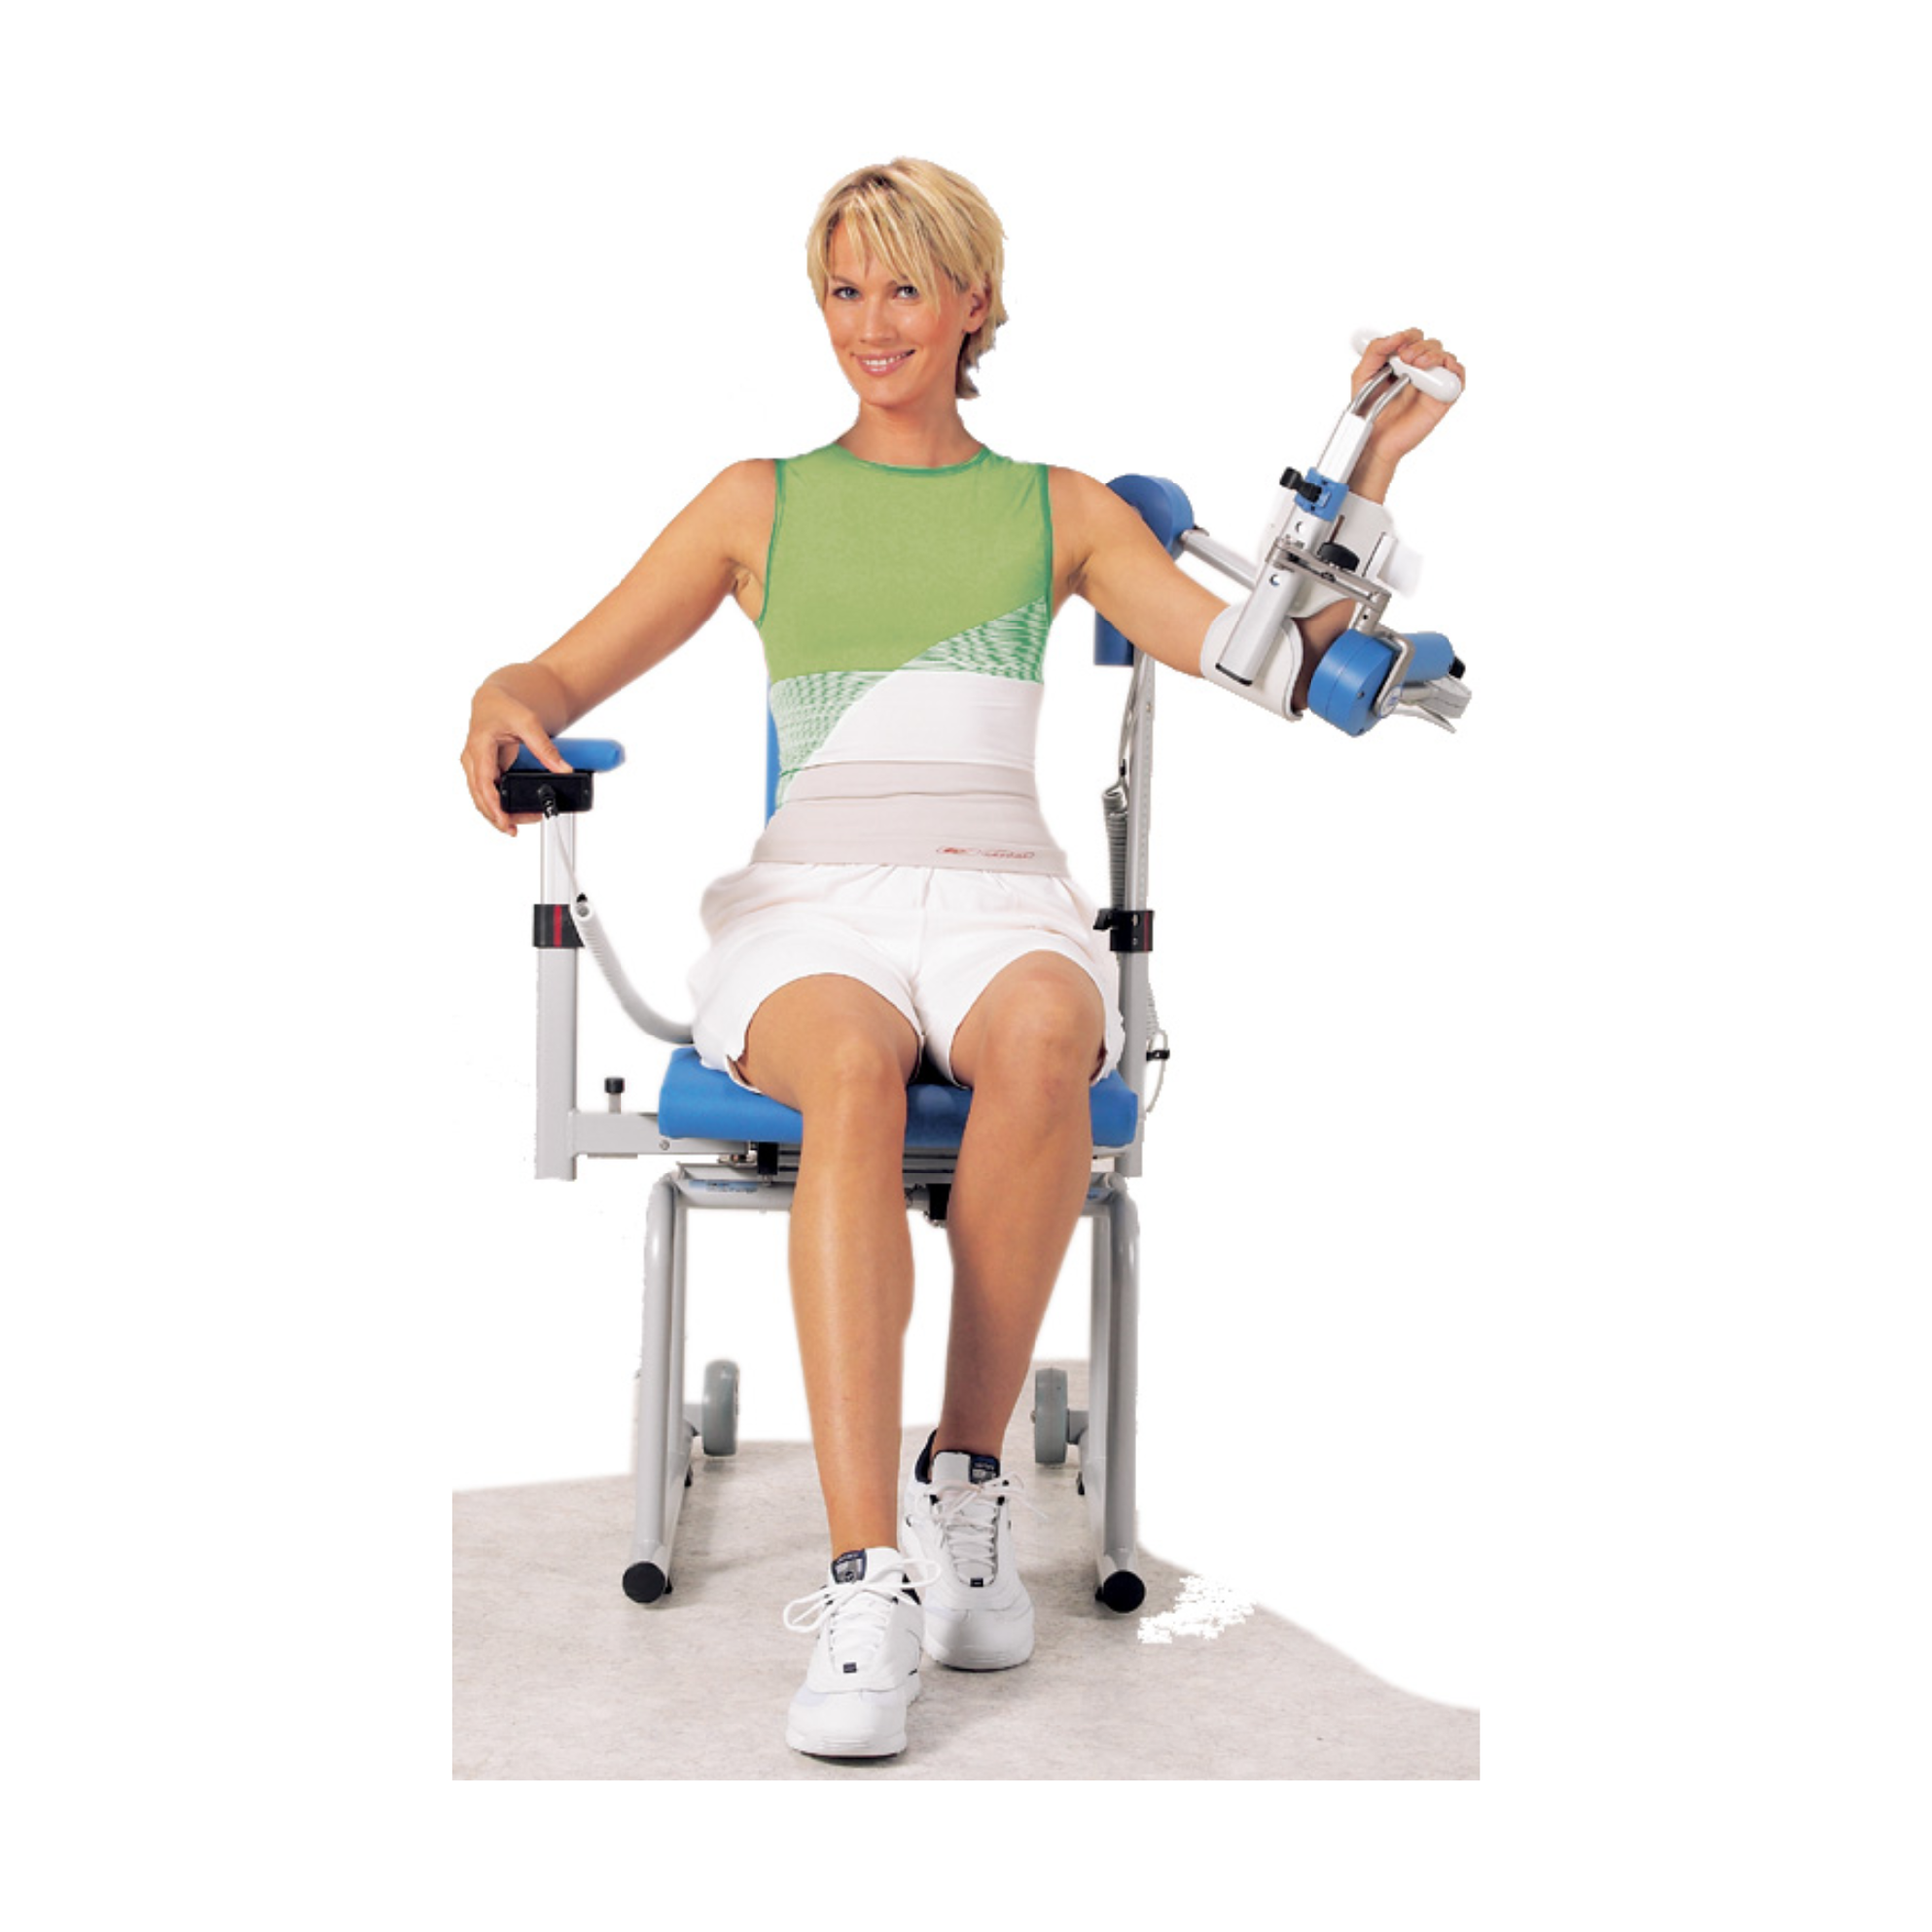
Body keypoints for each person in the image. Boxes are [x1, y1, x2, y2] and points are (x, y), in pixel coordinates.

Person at [461, 158, 1465, 1760]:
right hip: (813, 908)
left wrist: (1368, 464)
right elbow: (550, 671)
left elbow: (1265, 661)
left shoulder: (1058, 507)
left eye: (905, 287)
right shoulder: (754, 501)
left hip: (1000, 900)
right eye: (844, 289)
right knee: (853, 1070)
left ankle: (963, 1482)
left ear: (973, 300)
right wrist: (498, 705)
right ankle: (865, 1583)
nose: (871, 322)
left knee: (1055, 1023)